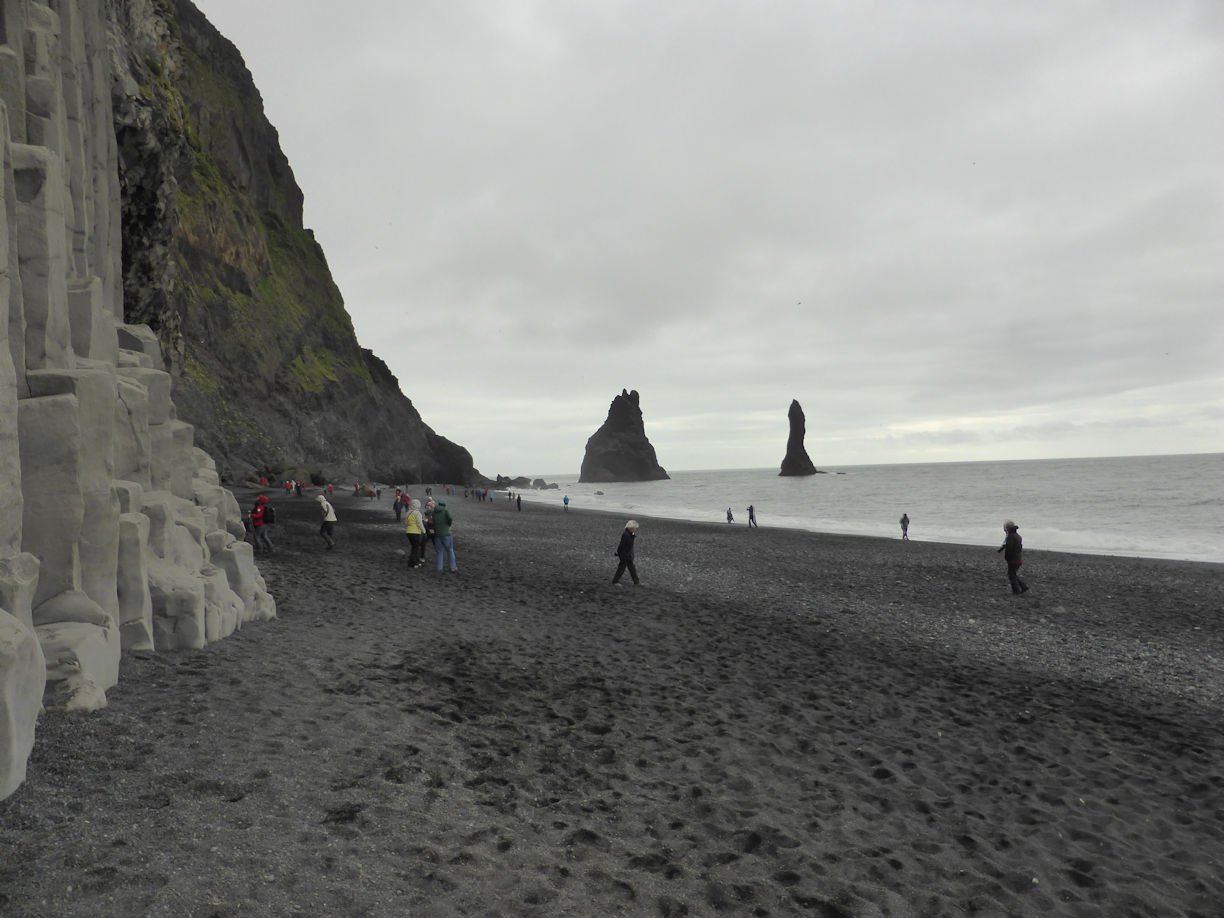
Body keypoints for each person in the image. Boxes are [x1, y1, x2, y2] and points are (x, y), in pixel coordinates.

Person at [997, 520, 1029, 595]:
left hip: (1013, 560)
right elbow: (1018, 547)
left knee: (1011, 575)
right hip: (1018, 559)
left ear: (1007, 528)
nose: (1003, 529)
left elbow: (1009, 549)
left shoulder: (1010, 536)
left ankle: (1016, 591)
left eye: (1004, 528)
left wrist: (1007, 558)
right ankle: (1023, 586)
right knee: (1013, 574)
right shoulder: (1018, 536)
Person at [612, 520, 641, 585]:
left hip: (628, 554)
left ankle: (636, 582)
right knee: (622, 568)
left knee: (631, 568)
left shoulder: (630, 533)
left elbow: (629, 544)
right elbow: (621, 545)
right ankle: (615, 581)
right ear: (631, 527)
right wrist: (618, 552)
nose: (636, 529)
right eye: (635, 528)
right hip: (625, 555)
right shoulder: (626, 534)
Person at [433, 498, 457, 572]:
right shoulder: (446, 511)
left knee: (439, 551)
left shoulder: (434, 512)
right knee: (450, 550)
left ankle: (439, 568)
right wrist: (449, 524)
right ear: (445, 505)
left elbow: (433, 521)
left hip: (437, 533)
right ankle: (453, 567)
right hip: (446, 533)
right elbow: (450, 518)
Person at [404, 498, 425, 567]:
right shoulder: (417, 513)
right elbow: (419, 523)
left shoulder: (408, 513)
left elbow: (406, 523)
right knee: (415, 548)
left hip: (408, 532)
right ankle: (413, 563)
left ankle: (415, 561)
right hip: (415, 532)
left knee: (414, 547)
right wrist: (423, 530)